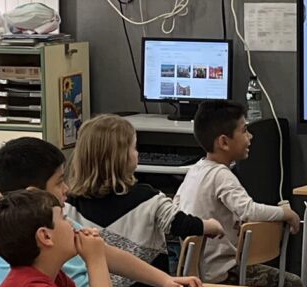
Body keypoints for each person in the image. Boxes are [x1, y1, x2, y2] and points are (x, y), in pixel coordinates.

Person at [0, 136, 202, 287]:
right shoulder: (13, 248)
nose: (66, 189)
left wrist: (164, 280)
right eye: (59, 182)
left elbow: (109, 254)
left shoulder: (61, 224)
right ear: (33, 193)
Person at [66, 114, 217, 277]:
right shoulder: (150, 198)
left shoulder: (68, 205)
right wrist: (212, 225)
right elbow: (183, 225)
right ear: (122, 157)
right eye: (134, 148)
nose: (137, 153)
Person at [176, 101, 298, 282]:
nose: (250, 136)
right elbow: (249, 211)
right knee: (293, 284)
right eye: (244, 130)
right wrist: (286, 213)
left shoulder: (195, 170)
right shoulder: (221, 175)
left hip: (194, 271)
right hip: (223, 274)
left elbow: (176, 205)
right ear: (224, 142)